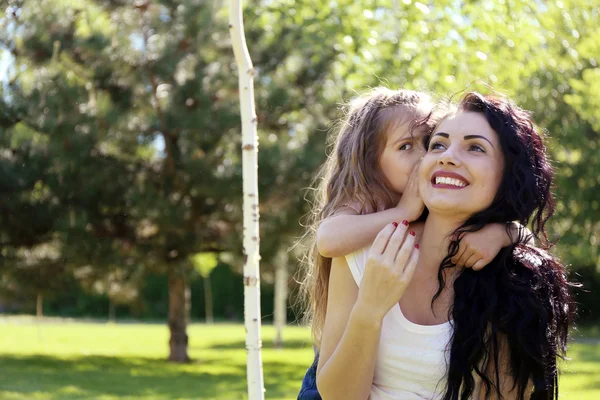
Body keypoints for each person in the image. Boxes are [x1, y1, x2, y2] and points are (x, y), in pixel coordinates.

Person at [311, 92, 575, 400]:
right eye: (439, 144)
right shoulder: (366, 252)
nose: (446, 156)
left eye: (475, 147)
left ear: (508, 175)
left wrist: (505, 233)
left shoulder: (517, 279)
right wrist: (369, 309)